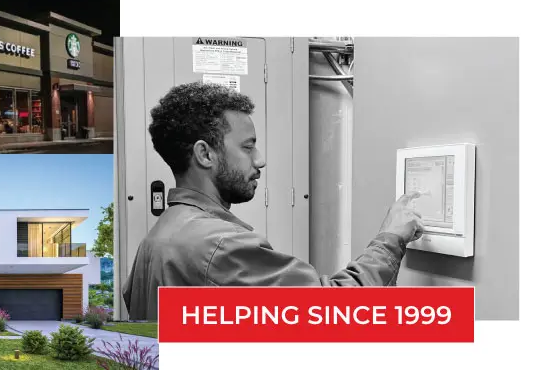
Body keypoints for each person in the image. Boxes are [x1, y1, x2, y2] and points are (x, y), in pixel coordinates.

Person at [122, 82, 426, 321]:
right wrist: (391, 238)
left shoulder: (156, 240)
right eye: (248, 147)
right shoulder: (218, 246)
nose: (260, 160)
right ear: (205, 154)